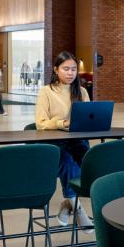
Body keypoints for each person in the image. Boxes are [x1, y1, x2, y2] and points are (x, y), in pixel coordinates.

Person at [35, 51, 93, 227]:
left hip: (77, 141)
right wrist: (61, 123)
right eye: (66, 69)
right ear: (56, 69)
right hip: (53, 143)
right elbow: (40, 123)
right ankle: (78, 208)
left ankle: (68, 204)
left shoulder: (82, 91)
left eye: (73, 69)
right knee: (68, 163)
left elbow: (89, 117)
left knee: (90, 163)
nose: (70, 73)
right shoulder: (46, 91)